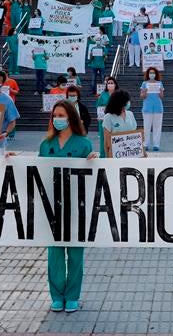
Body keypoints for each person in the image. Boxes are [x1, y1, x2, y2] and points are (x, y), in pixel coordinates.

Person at [39, 100, 97, 312]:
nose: (57, 119)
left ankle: (72, 295)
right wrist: (12, 161)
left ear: (71, 117)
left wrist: (93, 161)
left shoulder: (83, 144)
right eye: (55, 115)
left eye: (62, 115)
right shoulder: (46, 144)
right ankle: (57, 296)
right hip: (53, 207)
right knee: (54, 255)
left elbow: (92, 177)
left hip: (76, 206)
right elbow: (35, 171)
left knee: (74, 254)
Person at [102, 90, 138, 157]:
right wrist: (107, 158)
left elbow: (135, 135)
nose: (128, 103)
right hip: (116, 155)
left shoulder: (130, 114)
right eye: (127, 101)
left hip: (131, 153)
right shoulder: (108, 117)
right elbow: (106, 141)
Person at [140, 68, 164, 151]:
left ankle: (156, 145)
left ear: (156, 74)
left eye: (153, 73)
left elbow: (161, 96)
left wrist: (160, 91)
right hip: (147, 108)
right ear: (148, 74)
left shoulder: (159, 83)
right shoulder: (144, 83)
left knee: (157, 127)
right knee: (146, 127)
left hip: (158, 108)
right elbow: (142, 96)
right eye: (150, 73)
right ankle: (146, 144)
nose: (152, 74)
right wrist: (145, 92)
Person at [95, 78, 116, 156]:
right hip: (103, 119)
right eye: (108, 83)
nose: (110, 84)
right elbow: (98, 106)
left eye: (112, 83)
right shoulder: (103, 94)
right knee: (103, 139)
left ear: (115, 84)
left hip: (115, 119)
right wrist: (99, 115)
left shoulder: (118, 94)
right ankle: (103, 155)